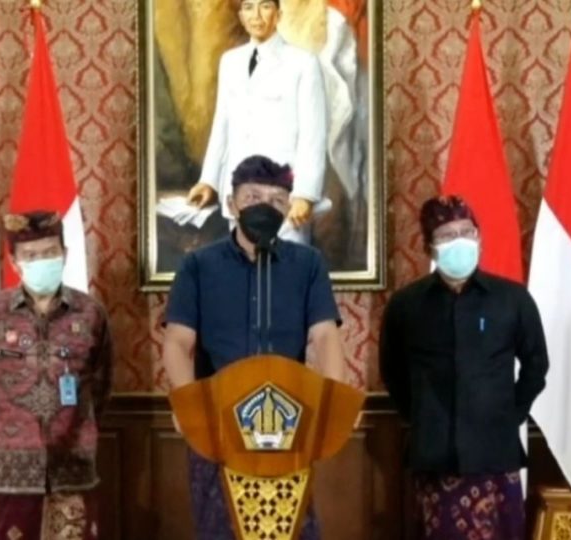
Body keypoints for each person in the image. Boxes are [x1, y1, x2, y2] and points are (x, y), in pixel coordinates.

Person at [163, 155, 345, 539]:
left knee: (291, 526)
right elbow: (178, 342)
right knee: (220, 526)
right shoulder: (198, 265)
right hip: (216, 423)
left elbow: (325, 336)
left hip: (288, 422)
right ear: (231, 204)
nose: (265, 206)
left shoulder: (308, 264)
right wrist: (186, 402)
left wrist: (333, 402)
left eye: (278, 200)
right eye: (253, 196)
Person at [379, 195, 549, 540]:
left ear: (479, 237)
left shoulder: (513, 299)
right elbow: (393, 370)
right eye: (446, 235)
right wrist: (423, 415)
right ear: (429, 247)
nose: (459, 241)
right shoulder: (406, 305)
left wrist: (509, 415)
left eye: (466, 232)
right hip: (435, 455)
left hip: (495, 453)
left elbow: (536, 365)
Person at [0, 210, 113, 540]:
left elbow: (102, 385)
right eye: (31, 256)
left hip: (73, 468)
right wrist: (10, 436)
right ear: (14, 261)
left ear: (65, 254)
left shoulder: (90, 313)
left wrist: (78, 427)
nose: (41, 261)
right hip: (9, 472)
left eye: (49, 252)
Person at [186, 0, 327, 244]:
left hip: (284, 194)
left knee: (286, 273)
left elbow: (313, 135)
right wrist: (208, 180)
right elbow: (222, 125)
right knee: (244, 274)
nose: (256, 16)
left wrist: (305, 193)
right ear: (241, 16)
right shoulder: (230, 62)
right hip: (241, 192)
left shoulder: (303, 63)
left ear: (279, 13)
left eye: (265, 7)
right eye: (249, 7)